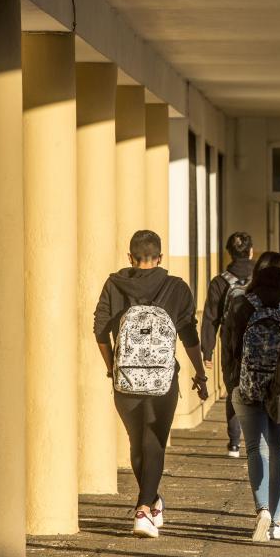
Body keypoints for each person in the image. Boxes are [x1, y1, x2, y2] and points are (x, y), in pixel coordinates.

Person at [94, 230, 209, 538]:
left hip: (125, 378)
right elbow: (189, 334)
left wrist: (111, 368)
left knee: (137, 440)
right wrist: (200, 373)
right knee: (153, 440)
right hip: (163, 379)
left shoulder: (114, 284)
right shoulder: (176, 287)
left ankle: (151, 502)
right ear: (160, 257)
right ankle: (144, 508)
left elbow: (99, 330)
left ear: (130, 257)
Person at [222, 252, 280, 542]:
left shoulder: (241, 303)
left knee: (255, 449)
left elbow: (229, 348)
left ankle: (262, 511)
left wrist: (232, 383)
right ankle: (278, 520)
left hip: (247, 386)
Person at [201, 232, 255, 457]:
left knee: (233, 387)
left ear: (229, 253)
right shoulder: (261, 276)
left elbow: (210, 317)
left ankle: (234, 442)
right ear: (251, 251)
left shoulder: (220, 281)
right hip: (258, 340)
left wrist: (207, 349)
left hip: (230, 341)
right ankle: (257, 437)